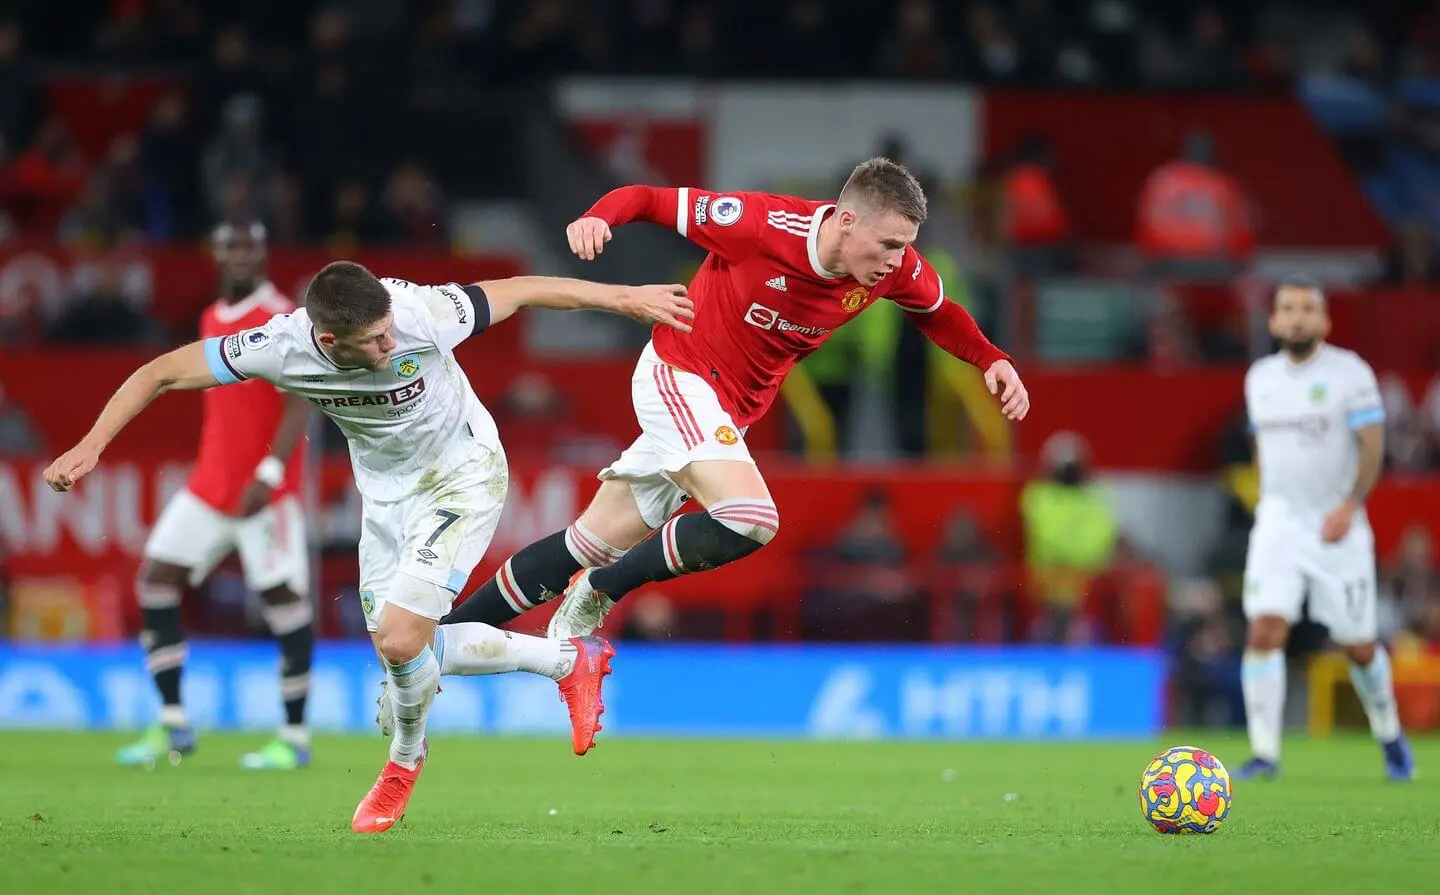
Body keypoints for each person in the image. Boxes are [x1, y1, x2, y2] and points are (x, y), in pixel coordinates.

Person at [42, 262, 695, 833]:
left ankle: (404, 764)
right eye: (373, 341)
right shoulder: (282, 347)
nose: (390, 345)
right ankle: (566, 659)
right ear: (328, 341)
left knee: (405, 637)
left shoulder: (423, 313)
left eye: (389, 332)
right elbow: (161, 371)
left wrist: (627, 298)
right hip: (385, 499)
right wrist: (92, 444)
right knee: (395, 645)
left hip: (462, 473)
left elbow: (523, 290)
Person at [423, 157, 1027, 691]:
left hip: (725, 410)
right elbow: (650, 198)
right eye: (888, 244)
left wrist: (992, 359)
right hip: (679, 374)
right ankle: (601, 588)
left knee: (587, 540)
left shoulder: (895, 271)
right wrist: (599, 217)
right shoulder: (762, 225)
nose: (897, 261)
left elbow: (939, 313)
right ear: (846, 221)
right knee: (751, 519)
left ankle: (431, 649)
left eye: (904, 247)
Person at [114, 221, 317, 771]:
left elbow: (299, 398)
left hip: (263, 494)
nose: (240, 256)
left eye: (250, 246)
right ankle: (174, 723)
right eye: (230, 246)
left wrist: (272, 472)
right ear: (217, 253)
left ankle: (294, 736)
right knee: (155, 581)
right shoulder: (210, 317)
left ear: (264, 252)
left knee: (283, 602)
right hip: (209, 487)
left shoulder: (280, 316)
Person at [1238, 278, 1415, 781]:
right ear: (1273, 321)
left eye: (1307, 310)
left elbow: (1374, 445)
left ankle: (1390, 735)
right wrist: (1265, 502)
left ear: (1325, 322)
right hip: (1278, 522)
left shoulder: (1349, 374)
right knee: (1264, 629)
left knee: (1358, 644)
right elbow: (1262, 448)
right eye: (1288, 309)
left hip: (1336, 524)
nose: (1297, 318)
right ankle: (1264, 753)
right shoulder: (1261, 378)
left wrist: (1349, 504)